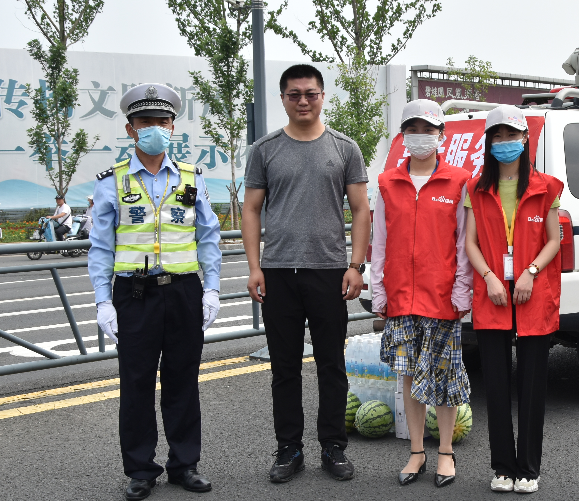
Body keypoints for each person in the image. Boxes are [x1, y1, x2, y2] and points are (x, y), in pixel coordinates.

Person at [88, 83, 222, 501]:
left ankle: (185, 464)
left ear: (173, 127)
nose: (155, 129)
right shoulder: (113, 182)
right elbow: (101, 247)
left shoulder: (192, 178)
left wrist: (212, 289)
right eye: (145, 122)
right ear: (131, 129)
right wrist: (103, 300)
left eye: (162, 122)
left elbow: (208, 237)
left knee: (183, 381)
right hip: (134, 295)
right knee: (137, 384)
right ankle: (141, 470)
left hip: (183, 291)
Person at [242, 63, 370, 484]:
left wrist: (355, 265)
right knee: (284, 368)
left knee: (332, 364)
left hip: (329, 271)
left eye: (310, 93)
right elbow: (251, 210)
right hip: (278, 271)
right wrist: (255, 267)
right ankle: (289, 449)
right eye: (294, 94)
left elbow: (361, 210)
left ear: (322, 96)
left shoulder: (344, 148)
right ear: (282, 98)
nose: (302, 101)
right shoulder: (264, 149)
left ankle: (333, 447)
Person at [370, 99, 472, 488]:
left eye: (428, 129)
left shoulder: (459, 181)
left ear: (441, 134)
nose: (420, 136)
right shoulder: (387, 182)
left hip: (442, 295)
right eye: (413, 129)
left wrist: (462, 289)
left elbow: (464, 243)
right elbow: (380, 241)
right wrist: (378, 289)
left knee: (444, 377)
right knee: (409, 375)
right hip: (400, 295)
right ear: (402, 135)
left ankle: (445, 452)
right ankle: (416, 451)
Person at [463, 105, 563, 494]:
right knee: (496, 385)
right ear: (489, 142)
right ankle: (503, 466)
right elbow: (470, 242)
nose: (505, 142)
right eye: (497, 136)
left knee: (532, 386)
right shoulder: (476, 188)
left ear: (525, 139)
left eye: (512, 135)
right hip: (493, 294)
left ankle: (529, 469)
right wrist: (489, 277)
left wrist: (530, 272)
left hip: (531, 292)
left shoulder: (546, 187)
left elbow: (553, 240)